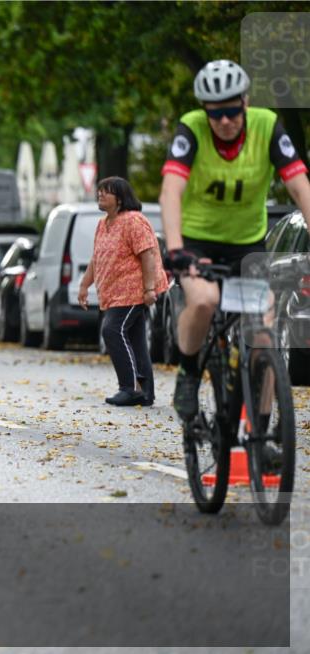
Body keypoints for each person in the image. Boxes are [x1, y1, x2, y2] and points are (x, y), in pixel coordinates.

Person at [160, 59, 310, 421]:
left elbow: (299, 187)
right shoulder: (190, 130)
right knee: (204, 300)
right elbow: (170, 191)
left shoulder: (267, 125)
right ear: (205, 111)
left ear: (245, 102)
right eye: (216, 114)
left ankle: (263, 430)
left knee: (263, 334)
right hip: (197, 240)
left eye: (231, 111)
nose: (225, 121)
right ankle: (189, 371)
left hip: (246, 242)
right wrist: (176, 248)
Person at [79, 177, 168, 406]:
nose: (100, 195)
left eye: (105, 192)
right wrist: (84, 285)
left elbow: (147, 254)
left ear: (119, 198)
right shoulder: (103, 224)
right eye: (99, 191)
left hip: (132, 291)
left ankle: (129, 387)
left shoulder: (134, 221)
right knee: (136, 339)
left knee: (112, 330)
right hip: (113, 293)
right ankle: (145, 392)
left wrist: (149, 289)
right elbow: (96, 258)